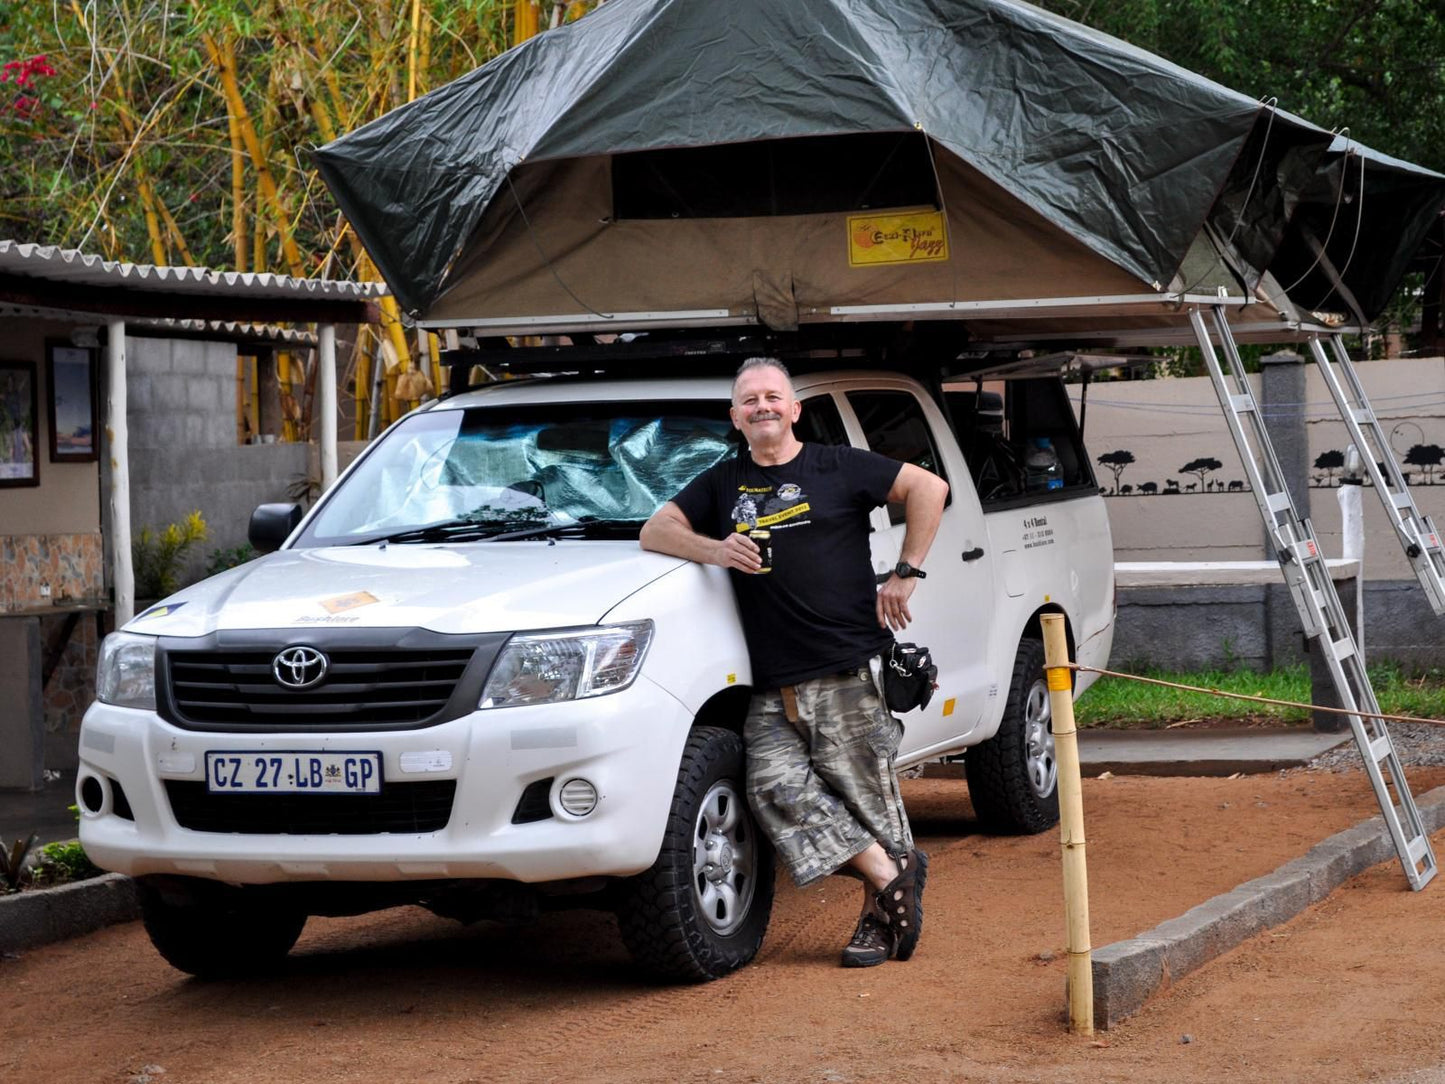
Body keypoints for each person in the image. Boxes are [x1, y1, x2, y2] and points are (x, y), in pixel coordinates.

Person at [640, 356, 949, 967]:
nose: (763, 407)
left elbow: (928, 488)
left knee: (867, 800)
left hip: (845, 668)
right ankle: (894, 874)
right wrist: (715, 549)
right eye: (750, 400)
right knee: (773, 789)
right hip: (772, 683)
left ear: (794, 408)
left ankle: (878, 923)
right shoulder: (723, 482)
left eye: (773, 397)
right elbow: (657, 529)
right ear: (736, 416)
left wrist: (906, 573)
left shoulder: (836, 466)